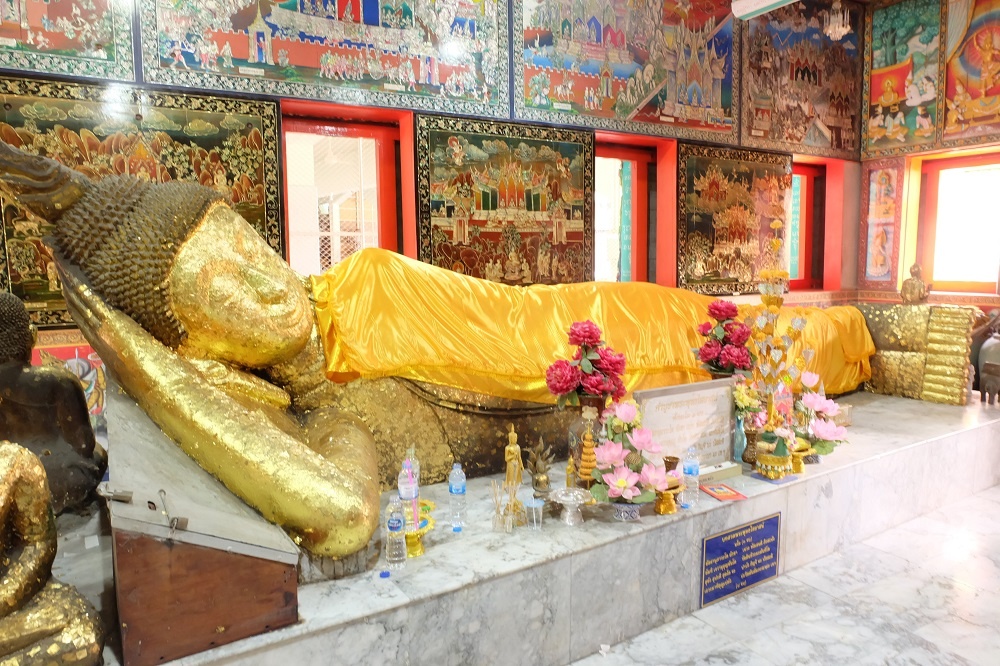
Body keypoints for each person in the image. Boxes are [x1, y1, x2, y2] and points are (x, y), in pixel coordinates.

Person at [0, 141, 874, 559]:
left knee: (712, 322)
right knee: (742, 343)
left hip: (561, 319)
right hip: (582, 375)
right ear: (193, 346)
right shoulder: (332, 418)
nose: (269, 287)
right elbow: (343, 516)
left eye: (252, 250)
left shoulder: (352, 285)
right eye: (219, 289)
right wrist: (146, 367)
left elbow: (510, 313)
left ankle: (853, 331)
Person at [0, 440, 104, 664]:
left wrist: (6, 596)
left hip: (9, 603)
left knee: (83, 630)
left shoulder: (16, 463)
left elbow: (38, 544)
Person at [0, 291, 105, 513]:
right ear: (29, 336)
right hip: (53, 481)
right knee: (99, 455)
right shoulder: (59, 381)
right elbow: (84, 445)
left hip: (5, 484)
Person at [504, 423, 523, 488]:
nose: (515, 439)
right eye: (513, 438)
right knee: (511, 478)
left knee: (515, 478)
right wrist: (512, 456)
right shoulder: (507, 448)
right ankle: (511, 491)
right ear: (510, 439)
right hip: (511, 464)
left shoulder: (518, 447)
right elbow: (506, 459)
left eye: (516, 438)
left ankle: (514, 490)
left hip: (517, 463)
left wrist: (521, 465)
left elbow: (519, 457)